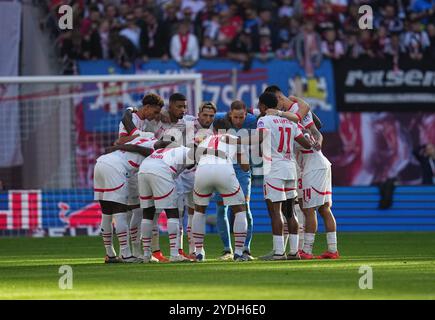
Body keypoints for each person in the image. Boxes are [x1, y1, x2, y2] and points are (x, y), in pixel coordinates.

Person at [241, 92, 313, 260]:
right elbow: (305, 143)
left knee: (275, 212)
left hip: (273, 169)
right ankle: (294, 252)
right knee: (290, 211)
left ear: (264, 106)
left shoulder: (264, 120)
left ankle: (279, 252)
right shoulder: (289, 120)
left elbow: (260, 140)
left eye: (259, 105)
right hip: (290, 168)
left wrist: (238, 141)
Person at [94, 135, 168, 263]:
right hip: (116, 167)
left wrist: (118, 146)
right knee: (120, 212)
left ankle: (110, 254)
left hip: (101, 162)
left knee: (106, 213)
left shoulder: (143, 137)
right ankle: (126, 254)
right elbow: (149, 149)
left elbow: (125, 142)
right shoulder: (156, 147)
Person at [192, 119, 250, 262]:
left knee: (199, 210)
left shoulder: (205, 139)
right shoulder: (234, 139)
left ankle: (199, 253)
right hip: (223, 168)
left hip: (203, 169)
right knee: (240, 209)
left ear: (214, 129)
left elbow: (195, 158)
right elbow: (245, 167)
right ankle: (237, 252)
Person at [138, 144, 197, 263]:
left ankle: (146, 255)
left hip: (143, 169)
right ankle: (175, 254)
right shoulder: (189, 151)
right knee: (172, 212)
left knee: (148, 212)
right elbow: (191, 162)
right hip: (161, 170)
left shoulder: (168, 150)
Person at [213, 101, 255, 261]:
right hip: (222, 168)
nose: (238, 120)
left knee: (245, 208)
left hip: (242, 171)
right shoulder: (219, 119)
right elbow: (201, 117)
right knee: (221, 208)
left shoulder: (252, 120)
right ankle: (226, 250)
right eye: (235, 117)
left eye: (241, 117)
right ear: (230, 114)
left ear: (246, 114)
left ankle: (245, 249)